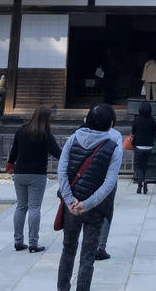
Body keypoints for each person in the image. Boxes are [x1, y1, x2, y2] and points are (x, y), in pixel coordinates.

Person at [57, 103, 122, 291]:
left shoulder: (73, 139)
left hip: (72, 206)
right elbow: (109, 184)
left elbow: (61, 170)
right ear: (110, 123)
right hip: (95, 209)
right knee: (88, 256)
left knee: (68, 250)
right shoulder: (113, 147)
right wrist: (87, 204)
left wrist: (70, 200)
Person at [6, 106, 61, 253]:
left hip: (19, 173)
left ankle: (18, 241)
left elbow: (14, 150)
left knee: (21, 206)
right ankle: (33, 243)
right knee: (34, 208)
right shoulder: (45, 134)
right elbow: (57, 152)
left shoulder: (21, 130)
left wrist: (10, 164)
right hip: (37, 174)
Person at [94, 106, 123, 262]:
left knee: (90, 210)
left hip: (91, 177)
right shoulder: (115, 135)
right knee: (106, 211)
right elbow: (117, 157)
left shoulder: (85, 134)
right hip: (108, 177)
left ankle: (90, 243)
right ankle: (101, 246)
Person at [131, 99, 156, 195]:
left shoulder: (137, 119)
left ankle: (141, 184)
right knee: (144, 166)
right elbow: (154, 133)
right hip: (149, 146)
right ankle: (141, 183)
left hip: (139, 146)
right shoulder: (152, 120)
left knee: (138, 166)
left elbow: (133, 132)